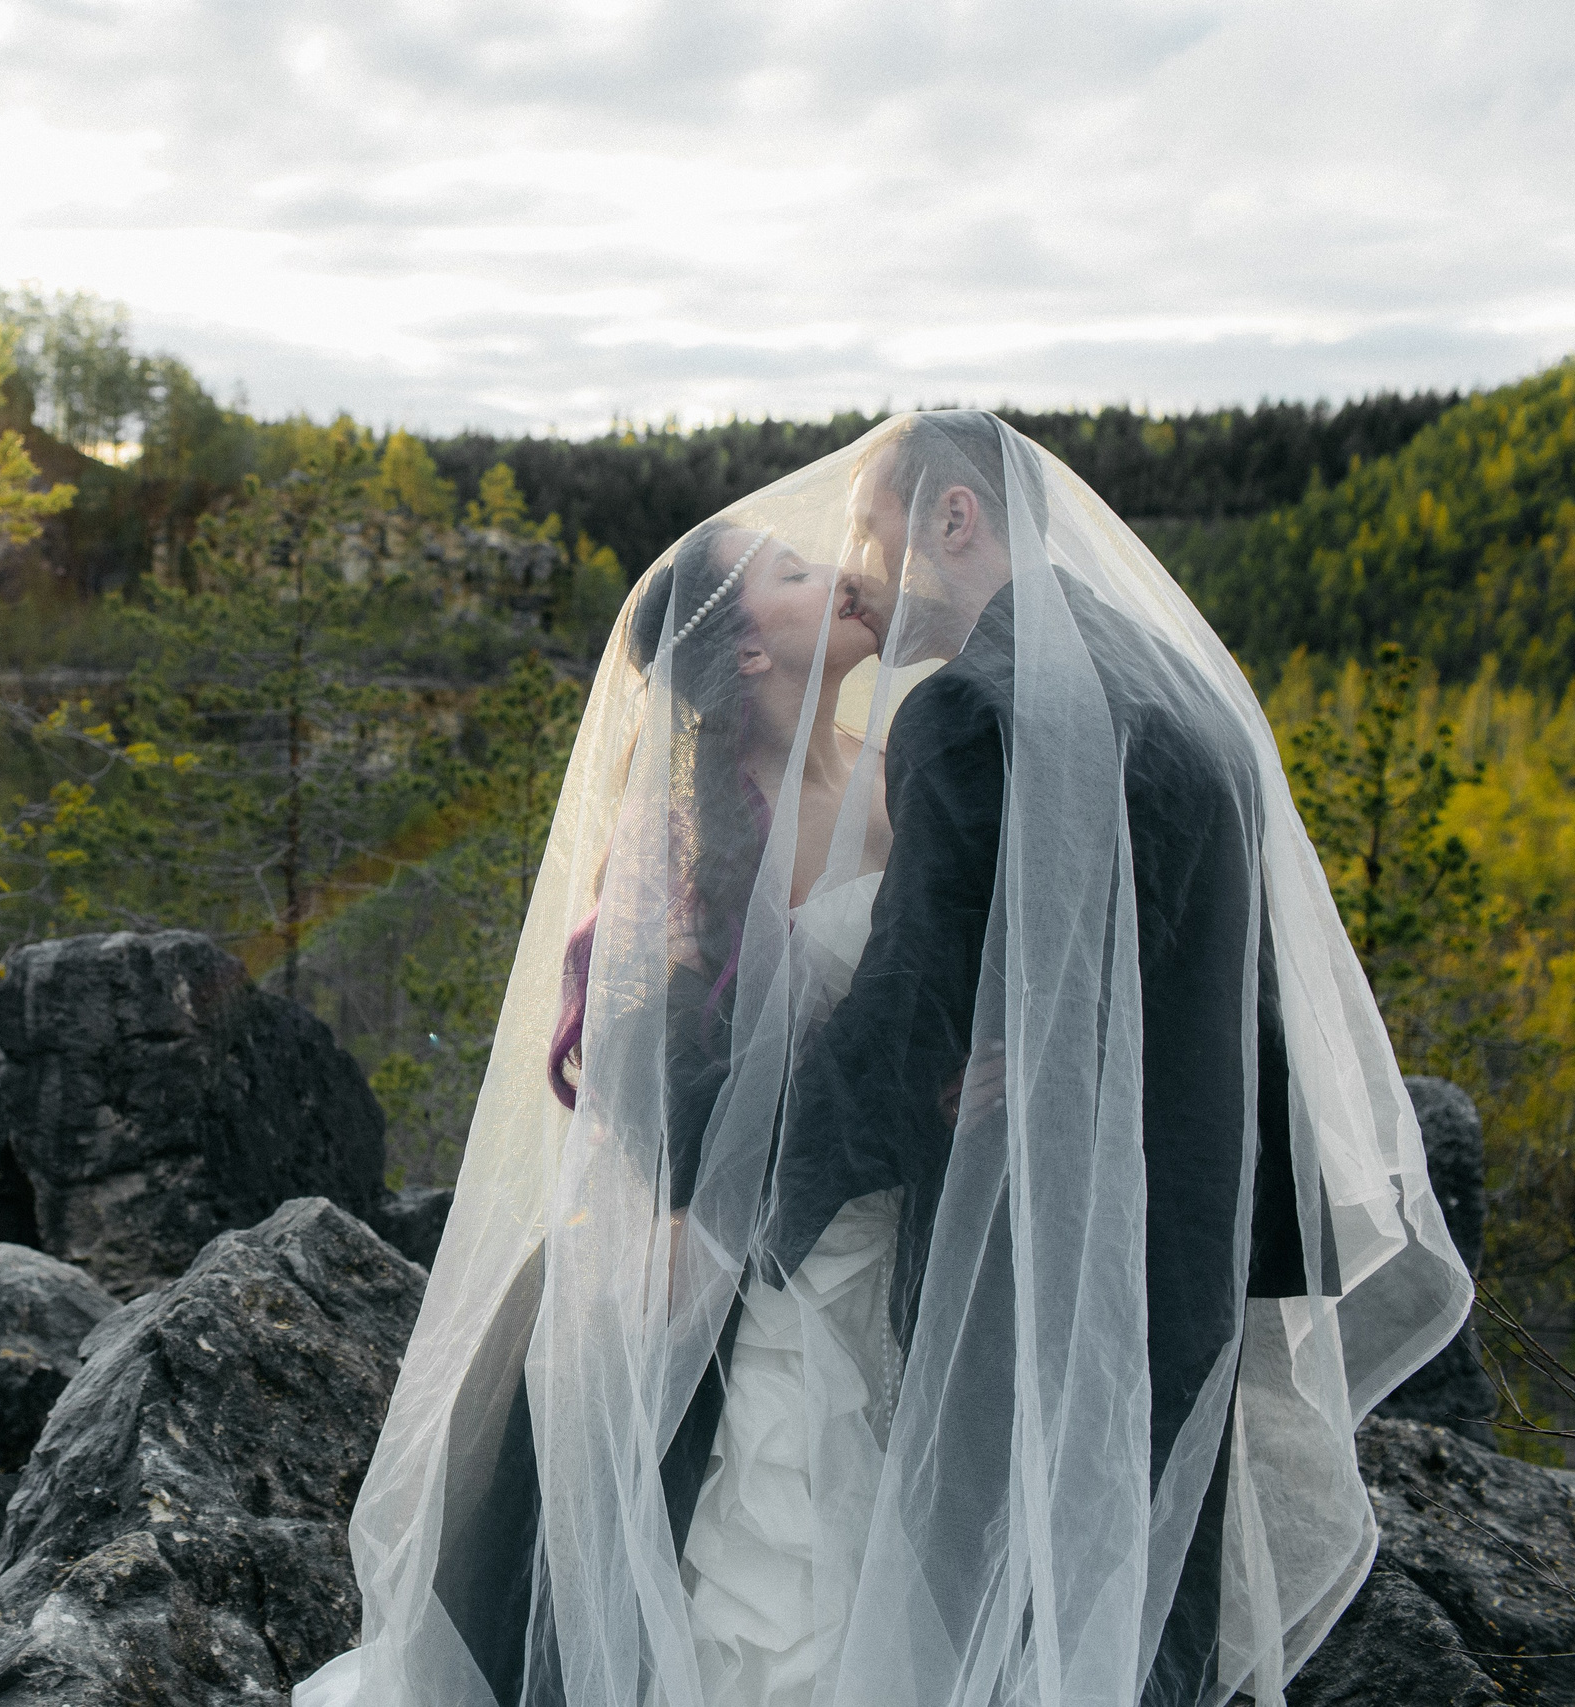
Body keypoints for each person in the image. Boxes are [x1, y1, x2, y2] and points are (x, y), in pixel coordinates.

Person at [295, 413, 1473, 1707]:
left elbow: (951, 977)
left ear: (954, 521)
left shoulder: (936, 745)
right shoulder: (710, 842)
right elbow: (715, 1082)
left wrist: (992, 1065)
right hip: (826, 1258)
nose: (849, 568)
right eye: (804, 568)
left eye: (859, 535)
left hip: (907, 1240)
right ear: (747, 648)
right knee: (795, 1578)